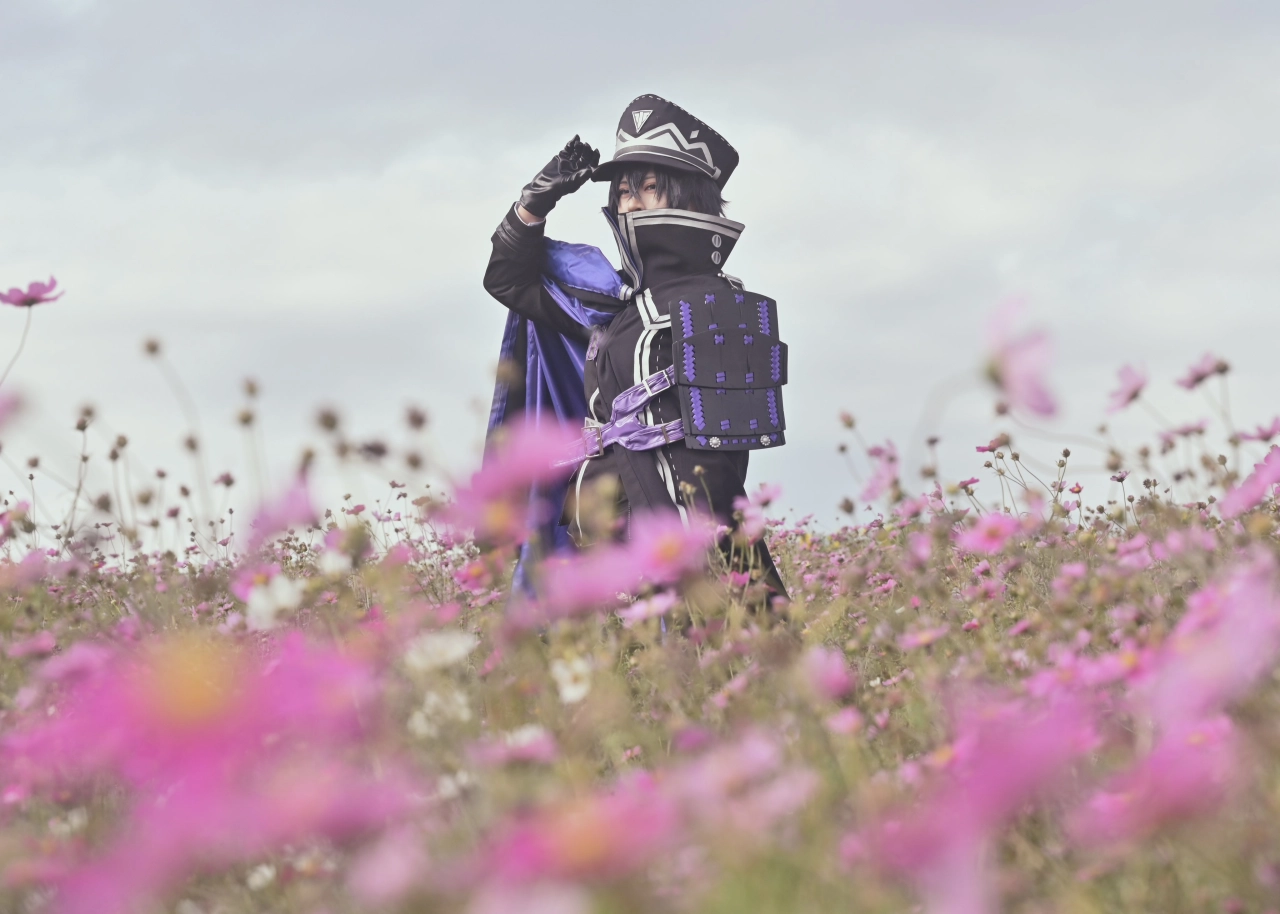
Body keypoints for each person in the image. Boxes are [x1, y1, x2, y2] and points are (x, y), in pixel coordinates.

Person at [483, 94, 788, 599]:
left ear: (693, 200)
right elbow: (508, 280)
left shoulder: (718, 308)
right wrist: (535, 200)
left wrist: (695, 577)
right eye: (624, 191)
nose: (631, 202)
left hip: (668, 560)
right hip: (597, 556)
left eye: (649, 187)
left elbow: (714, 472)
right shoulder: (610, 303)